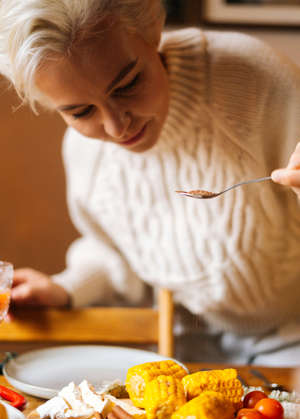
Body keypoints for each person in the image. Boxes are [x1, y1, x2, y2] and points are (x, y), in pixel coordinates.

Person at [1, 0, 300, 365]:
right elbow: (115, 251)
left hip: (292, 337)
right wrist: (66, 288)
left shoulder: (254, 79)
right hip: (181, 346)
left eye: (126, 85)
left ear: (152, 31)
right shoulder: (85, 153)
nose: (115, 127)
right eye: (80, 111)